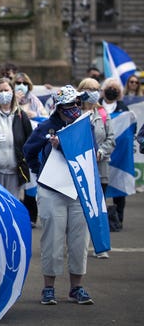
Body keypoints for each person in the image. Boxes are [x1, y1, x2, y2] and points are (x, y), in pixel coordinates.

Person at [23, 85, 95, 305]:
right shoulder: (47, 127)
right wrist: (41, 172)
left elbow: (90, 150)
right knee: (52, 241)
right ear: (59, 107)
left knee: (79, 241)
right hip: (52, 191)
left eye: (77, 104)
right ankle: (48, 288)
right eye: (70, 105)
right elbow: (28, 151)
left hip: (78, 191)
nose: (75, 108)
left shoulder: (85, 126)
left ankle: (76, 287)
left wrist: (65, 146)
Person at [77, 77, 115, 256]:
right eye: (89, 89)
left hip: (100, 168)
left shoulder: (103, 113)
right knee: (79, 209)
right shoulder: (74, 113)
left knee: (99, 208)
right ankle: (76, 246)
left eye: (96, 89)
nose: (93, 92)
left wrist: (101, 152)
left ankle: (100, 247)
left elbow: (111, 139)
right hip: (79, 169)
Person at [0, 78, 33, 199]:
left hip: (15, 173)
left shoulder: (21, 115)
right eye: (1, 91)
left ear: (12, 92)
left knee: (12, 205)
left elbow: (30, 141)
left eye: (7, 90)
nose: (4, 93)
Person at [100, 77, 131, 229]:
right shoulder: (97, 106)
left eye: (115, 88)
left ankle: (119, 218)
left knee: (119, 185)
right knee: (101, 186)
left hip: (119, 154)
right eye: (109, 87)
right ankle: (102, 219)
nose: (112, 91)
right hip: (102, 153)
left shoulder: (124, 108)